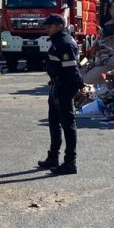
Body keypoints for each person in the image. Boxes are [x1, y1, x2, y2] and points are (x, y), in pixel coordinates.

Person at [38, 14, 82, 175]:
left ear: (59, 26)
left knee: (67, 124)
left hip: (64, 88)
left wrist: (66, 89)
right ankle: (53, 157)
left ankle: (70, 162)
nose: (46, 29)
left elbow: (71, 71)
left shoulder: (64, 43)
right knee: (54, 122)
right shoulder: (58, 41)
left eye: (49, 26)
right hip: (57, 86)